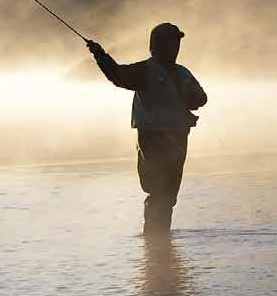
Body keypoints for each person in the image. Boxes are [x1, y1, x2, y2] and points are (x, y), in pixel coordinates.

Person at [86, 22, 207, 233]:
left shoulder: (183, 73)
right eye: (172, 43)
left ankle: (157, 244)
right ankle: (155, 242)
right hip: (152, 139)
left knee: (168, 195)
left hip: (178, 139)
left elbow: (201, 99)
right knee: (157, 190)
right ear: (156, 46)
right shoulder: (145, 71)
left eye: (177, 43)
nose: (176, 47)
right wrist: (100, 54)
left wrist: (187, 97)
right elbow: (117, 75)